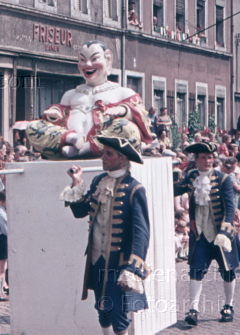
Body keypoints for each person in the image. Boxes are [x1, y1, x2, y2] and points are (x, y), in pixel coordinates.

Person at [61, 136, 150, 335]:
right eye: (104, 152)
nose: (103, 157)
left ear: (122, 159)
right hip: (97, 259)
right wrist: (76, 183)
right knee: (103, 309)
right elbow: (80, 212)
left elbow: (142, 232)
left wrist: (133, 268)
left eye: (108, 154)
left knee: (119, 312)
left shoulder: (135, 189)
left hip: (120, 262)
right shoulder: (98, 181)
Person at [27, 41, 152, 159]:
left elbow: (142, 118)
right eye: (82, 60)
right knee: (32, 126)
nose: (87, 64)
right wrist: (53, 116)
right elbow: (59, 117)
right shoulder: (70, 94)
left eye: (94, 59)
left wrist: (124, 110)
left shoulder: (122, 92)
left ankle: (85, 149)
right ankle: (73, 139)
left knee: (127, 128)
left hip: (105, 147)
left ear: (107, 59)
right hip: (68, 146)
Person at [174, 141, 240, 326]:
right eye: (203, 157)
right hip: (200, 234)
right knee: (195, 270)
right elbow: (175, 189)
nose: (207, 161)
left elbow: (230, 207)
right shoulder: (191, 177)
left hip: (220, 233)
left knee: (228, 270)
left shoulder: (223, 179)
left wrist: (224, 231)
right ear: (196, 160)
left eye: (210, 157)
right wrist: (174, 171)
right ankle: (193, 308)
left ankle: (228, 306)